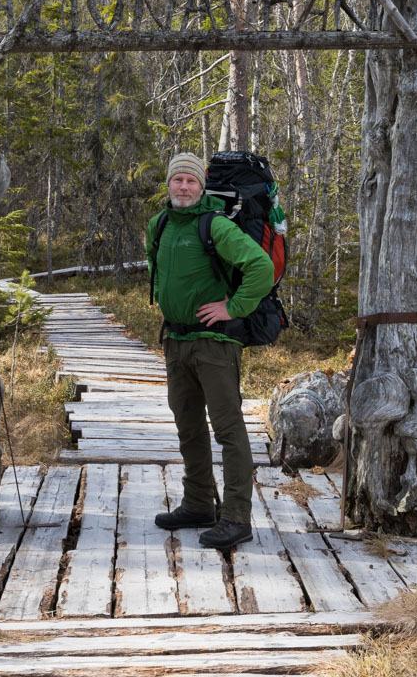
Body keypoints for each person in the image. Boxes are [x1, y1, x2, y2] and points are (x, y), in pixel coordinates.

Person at [146, 151, 275, 549]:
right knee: (188, 427)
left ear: (202, 187)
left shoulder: (215, 225)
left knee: (228, 429)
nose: (183, 187)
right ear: (168, 184)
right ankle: (198, 503)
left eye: (191, 181)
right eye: (177, 180)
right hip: (176, 342)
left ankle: (236, 516)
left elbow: (261, 268)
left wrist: (231, 308)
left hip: (215, 344)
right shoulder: (160, 223)